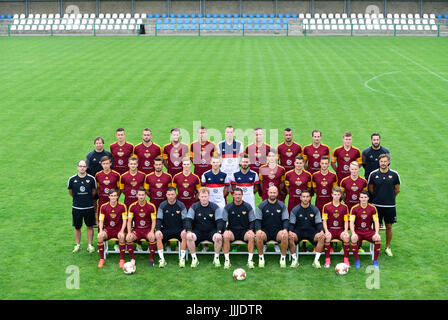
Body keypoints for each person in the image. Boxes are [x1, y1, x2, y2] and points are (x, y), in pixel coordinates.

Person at [368, 154, 400, 257]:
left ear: (388, 162)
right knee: (374, 226)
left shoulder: (394, 175)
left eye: (385, 161)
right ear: (379, 162)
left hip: (390, 206)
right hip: (376, 206)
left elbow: (397, 189)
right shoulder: (373, 174)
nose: (383, 163)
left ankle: (387, 247)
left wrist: (389, 197)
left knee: (389, 226)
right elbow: (371, 189)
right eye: (381, 161)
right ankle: (373, 247)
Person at [184, 188, 225, 268]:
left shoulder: (215, 207)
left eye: (205, 196)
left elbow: (220, 221)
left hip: (211, 231)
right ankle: (194, 259)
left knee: (219, 237)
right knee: (189, 236)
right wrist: (189, 231)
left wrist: (218, 232)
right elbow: (188, 220)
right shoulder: (194, 207)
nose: (204, 198)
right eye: (202, 196)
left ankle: (216, 258)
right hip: (198, 231)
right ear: (199, 197)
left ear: (209, 196)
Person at [288, 189, 325, 268]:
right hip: (299, 232)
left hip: (311, 231)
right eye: (304, 197)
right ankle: (295, 260)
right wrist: (290, 231)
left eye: (307, 197)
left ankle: (316, 261)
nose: (305, 198)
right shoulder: (295, 210)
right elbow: (291, 223)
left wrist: (321, 231)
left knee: (322, 237)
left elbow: (319, 223)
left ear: (310, 198)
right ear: (300, 198)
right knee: (290, 237)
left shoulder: (315, 209)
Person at [255, 186, 289, 268]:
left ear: (277, 193)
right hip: (265, 232)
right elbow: (258, 220)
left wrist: (285, 229)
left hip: (278, 231)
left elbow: (286, 219)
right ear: (267, 193)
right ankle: (261, 258)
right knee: (258, 235)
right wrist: (259, 230)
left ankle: (283, 258)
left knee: (285, 235)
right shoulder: (261, 205)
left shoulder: (282, 205)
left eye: (274, 192)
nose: (272, 194)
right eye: (271, 192)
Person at [222, 188, 256, 269]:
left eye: (239, 194)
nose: (237, 196)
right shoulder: (228, 207)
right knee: (226, 236)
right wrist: (225, 230)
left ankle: (250, 261)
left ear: (242, 195)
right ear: (233, 195)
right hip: (232, 232)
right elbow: (223, 221)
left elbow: (252, 220)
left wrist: (251, 230)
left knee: (251, 236)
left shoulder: (247, 206)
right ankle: (227, 261)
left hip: (244, 231)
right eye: (236, 194)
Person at [68, 160, 97, 254]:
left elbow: (93, 192)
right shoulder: (72, 179)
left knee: (90, 226)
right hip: (77, 208)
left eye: (84, 166)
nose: (82, 168)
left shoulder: (91, 179)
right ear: (77, 167)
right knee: (77, 227)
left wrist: (86, 199)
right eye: (80, 166)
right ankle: (77, 245)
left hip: (89, 207)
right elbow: (71, 192)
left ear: (86, 168)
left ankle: (90, 245)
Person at [155, 187, 189, 267]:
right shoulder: (162, 205)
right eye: (169, 194)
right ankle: (162, 259)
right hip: (166, 230)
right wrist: (158, 230)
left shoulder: (181, 205)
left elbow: (185, 220)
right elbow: (159, 219)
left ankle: (182, 259)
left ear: (176, 195)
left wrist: (185, 230)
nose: (171, 196)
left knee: (185, 235)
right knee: (157, 235)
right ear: (166, 195)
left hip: (179, 230)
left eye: (172, 194)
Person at [126, 187, 157, 267]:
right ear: (136, 195)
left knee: (152, 237)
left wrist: (152, 231)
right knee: (128, 238)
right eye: (139, 195)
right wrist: (129, 232)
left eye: (143, 195)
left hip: (147, 229)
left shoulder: (151, 206)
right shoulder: (132, 206)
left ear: (145, 195)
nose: (141, 197)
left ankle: (151, 259)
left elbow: (154, 220)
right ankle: (132, 259)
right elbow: (129, 221)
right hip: (137, 230)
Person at [350, 191, 381, 269]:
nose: (363, 199)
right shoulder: (354, 208)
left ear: (368, 198)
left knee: (378, 238)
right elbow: (351, 222)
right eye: (362, 197)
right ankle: (357, 260)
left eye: (365, 197)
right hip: (358, 231)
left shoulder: (372, 208)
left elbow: (376, 221)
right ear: (359, 198)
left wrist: (377, 233)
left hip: (368, 231)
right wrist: (353, 233)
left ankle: (375, 260)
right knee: (353, 238)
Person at [97, 189, 127, 268]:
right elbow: (101, 220)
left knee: (122, 236)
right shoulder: (104, 207)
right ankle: (102, 259)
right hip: (108, 230)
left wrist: (122, 231)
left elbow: (124, 221)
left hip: (118, 229)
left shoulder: (122, 206)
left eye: (115, 196)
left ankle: (122, 260)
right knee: (100, 236)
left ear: (117, 196)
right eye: (111, 196)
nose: (113, 197)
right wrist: (100, 231)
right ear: (109, 197)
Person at [322, 187, 350, 268]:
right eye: (335, 194)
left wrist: (345, 231)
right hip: (330, 229)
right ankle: (327, 260)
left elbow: (346, 221)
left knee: (347, 237)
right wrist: (326, 231)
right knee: (327, 237)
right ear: (332, 195)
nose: (336, 196)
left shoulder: (344, 207)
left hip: (340, 230)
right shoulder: (326, 206)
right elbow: (324, 221)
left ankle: (346, 259)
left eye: (338, 195)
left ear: (341, 195)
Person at [276, 128, 302, 201]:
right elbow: (276, 161)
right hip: (283, 176)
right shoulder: (280, 147)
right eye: (286, 135)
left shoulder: (298, 147)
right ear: (284, 136)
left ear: (292, 135)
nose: (288, 137)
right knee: (281, 197)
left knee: (296, 196)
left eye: (289, 135)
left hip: (294, 175)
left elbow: (301, 161)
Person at [95, 156, 120, 222]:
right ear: (101, 164)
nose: (105, 165)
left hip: (113, 202)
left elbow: (119, 188)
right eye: (104, 164)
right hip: (102, 201)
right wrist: (100, 195)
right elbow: (97, 188)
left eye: (107, 163)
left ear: (110, 164)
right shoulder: (98, 175)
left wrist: (116, 197)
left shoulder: (116, 175)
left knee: (114, 219)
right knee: (101, 220)